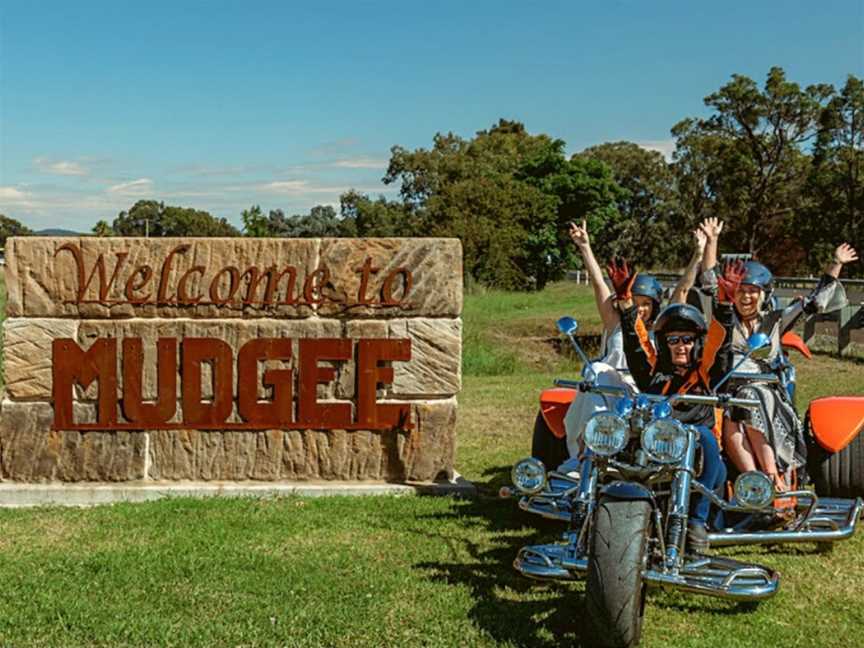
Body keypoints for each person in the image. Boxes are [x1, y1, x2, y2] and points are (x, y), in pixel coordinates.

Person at [700, 223, 859, 492]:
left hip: (765, 391)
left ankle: (774, 478)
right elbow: (708, 280)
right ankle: (754, 482)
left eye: (753, 291)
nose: (747, 296)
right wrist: (712, 241)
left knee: (748, 401)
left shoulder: (775, 320)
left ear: (764, 294)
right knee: (730, 419)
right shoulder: (723, 318)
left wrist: (836, 264)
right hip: (727, 392)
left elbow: (815, 302)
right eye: (741, 290)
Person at [614, 258, 745, 551]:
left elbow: (720, 348)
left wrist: (724, 305)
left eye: (687, 339)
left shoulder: (706, 375)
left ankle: (697, 520)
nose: (681, 345)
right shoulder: (654, 374)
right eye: (673, 340)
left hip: (699, 457)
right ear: (664, 344)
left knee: (707, 440)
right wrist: (625, 303)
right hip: (657, 449)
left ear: (697, 343)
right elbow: (636, 345)